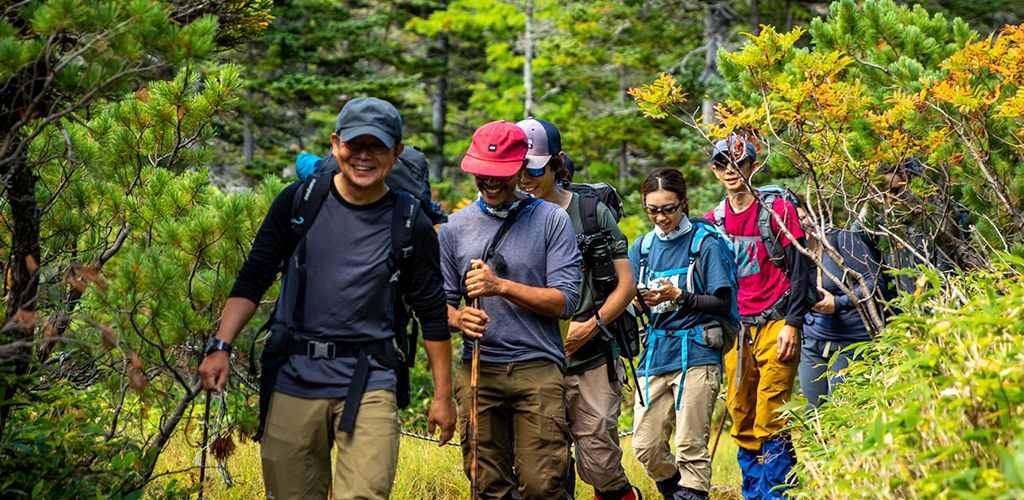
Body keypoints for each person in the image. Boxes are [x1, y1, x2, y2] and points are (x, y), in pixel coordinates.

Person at [198, 97, 456, 500]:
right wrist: (220, 346)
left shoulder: (409, 221)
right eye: (355, 145)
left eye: (378, 147)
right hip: (293, 375)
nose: (364, 157)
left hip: (371, 378)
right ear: (336, 144)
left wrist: (443, 398)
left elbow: (432, 312)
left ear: (397, 152)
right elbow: (254, 278)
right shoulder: (298, 203)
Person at [439, 120, 582, 499]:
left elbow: (565, 301)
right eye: (482, 173)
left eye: (500, 174)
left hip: (538, 366)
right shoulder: (454, 228)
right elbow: (440, 305)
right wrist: (458, 317)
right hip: (479, 369)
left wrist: (500, 287)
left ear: (522, 168)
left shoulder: (552, 220)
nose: (489, 181)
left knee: (542, 485)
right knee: (488, 486)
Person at [515, 118, 639, 500]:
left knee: (599, 458)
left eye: (535, 170)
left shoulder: (589, 213)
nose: (526, 179)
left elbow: (626, 284)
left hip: (592, 356)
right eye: (518, 170)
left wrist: (594, 323)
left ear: (557, 164)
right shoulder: (510, 214)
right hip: (534, 357)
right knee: (544, 462)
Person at [705, 134, 813, 499]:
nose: (730, 170)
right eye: (722, 163)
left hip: (778, 320)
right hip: (738, 329)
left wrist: (794, 324)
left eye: (738, 162)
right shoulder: (714, 221)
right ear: (715, 170)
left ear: (753, 164)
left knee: (772, 409)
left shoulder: (777, 211)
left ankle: (780, 493)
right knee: (742, 413)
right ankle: (754, 492)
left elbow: (802, 268)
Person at [628, 168, 735, 500]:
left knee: (690, 444)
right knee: (644, 445)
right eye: (653, 209)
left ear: (683, 203)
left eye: (669, 209)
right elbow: (628, 303)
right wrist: (638, 301)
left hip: (698, 350)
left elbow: (722, 302)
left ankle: (692, 493)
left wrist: (680, 297)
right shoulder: (642, 248)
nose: (661, 217)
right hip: (656, 353)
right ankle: (677, 492)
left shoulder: (705, 244)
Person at [796, 204, 881, 408]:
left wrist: (839, 303)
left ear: (813, 216)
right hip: (812, 340)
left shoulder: (840, 239)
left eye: (803, 217)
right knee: (813, 412)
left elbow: (873, 281)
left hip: (851, 341)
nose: (800, 223)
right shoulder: (793, 251)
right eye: (793, 219)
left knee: (842, 409)